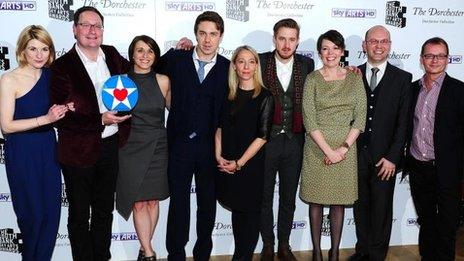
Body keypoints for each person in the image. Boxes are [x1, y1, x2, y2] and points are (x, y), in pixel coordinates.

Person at [50, 6, 130, 261]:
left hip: (109, 147)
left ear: (103, 31)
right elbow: (62, 118)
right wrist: (100, 119)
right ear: (74, 29)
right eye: (86, 25)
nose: (92, 31)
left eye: (97, 26)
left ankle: (102, 257)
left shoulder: (112, 55)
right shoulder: (62, 67)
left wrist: (177, 52)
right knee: (79, 215)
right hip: (77, 152)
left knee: (105, 211)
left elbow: (142, 67)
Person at [157, 11, 229, 261]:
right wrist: (176, 49)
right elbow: (146, 68)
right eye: (202, 33)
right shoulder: (177, 59)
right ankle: (175, 254)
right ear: (195, 34)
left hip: (211, 149)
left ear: (220, 36)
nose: (207, 40)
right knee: (178, 204)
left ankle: (202, 254)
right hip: (178, 146)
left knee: (207, 205)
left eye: (213, 34)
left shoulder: (228, 69)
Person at [0, 24, 71, 261]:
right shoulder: (9, 80)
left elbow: (63, 106)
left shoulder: (52, 77)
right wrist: (46, 118)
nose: (39, 55)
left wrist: (66, 109)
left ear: (50, 51)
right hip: (22, 151)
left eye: (44, 49)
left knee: (51, 216)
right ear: (23, 50)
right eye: (33, 49)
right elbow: (7, 126)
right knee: (32, 216)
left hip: (48, 149)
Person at [300, 30, 366, 261]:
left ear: (342, 51)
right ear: (320, 52)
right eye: (325, 48)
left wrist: (342, 149)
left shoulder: (355, 77)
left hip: (346, 147)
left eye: (335, 48)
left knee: (339, 202)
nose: (330, 53)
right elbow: (309, 118)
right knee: (316, 201)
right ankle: (317, 252)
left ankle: (335, 251)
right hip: (317, 148)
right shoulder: (312, 79)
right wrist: (329, 151)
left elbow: (360, 117)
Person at [350, 25, 412, 261]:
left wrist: (393, 157)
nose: (378, 45)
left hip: (385, 158)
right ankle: (362, 251)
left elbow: (403, 123)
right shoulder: (352, 74)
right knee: (360, 206)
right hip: (355, 155)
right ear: (364, 45)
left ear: (389, 45)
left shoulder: (403, 79)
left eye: (383, 41)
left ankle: (376, 255)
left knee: (382, 209)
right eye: (373, 41)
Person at [258, 18, 314, 261]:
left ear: (298, 41)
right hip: (265, 141)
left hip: (294, 140)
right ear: (274, 39)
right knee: (264, 196)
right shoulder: (259, 61)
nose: (287, 44)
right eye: (282, 38)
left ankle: (284, 244)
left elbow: (328, 78)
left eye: (292, 39)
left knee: (288, 197)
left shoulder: (307, 64)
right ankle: (267, 245)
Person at [405, 37, 464, 261]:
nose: (434, 60)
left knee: (448, 224)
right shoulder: (412, 90)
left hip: (448, 169)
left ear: (447, 59)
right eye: (429, 55)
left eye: (440, 56)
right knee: (426, 222)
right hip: (418, 166)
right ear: (422, 60)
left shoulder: (459, 91)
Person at [215, 45, 274, 261]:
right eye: (241, 61)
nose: (246, 66)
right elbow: (219, 129)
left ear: (257, 65)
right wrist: (218, 156)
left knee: (249, 216)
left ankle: (242, 257)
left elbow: (262, 136)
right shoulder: (227, 94)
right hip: (227, 164)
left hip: (250, 167)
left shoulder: (265, 97)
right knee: (238, 214)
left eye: (251, 61)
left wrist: (239, 163)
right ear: (234, 65)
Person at [115, 35, 170, 261]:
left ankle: (144, 246)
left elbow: (177, 111)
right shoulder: (120, 82)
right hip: (131, 147)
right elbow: (114, 117)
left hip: (158, 144)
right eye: (140, 50)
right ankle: (149, 253)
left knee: (153, 200)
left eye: (150, 51)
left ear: (155, 55)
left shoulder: (164, 80)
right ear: (132, 54)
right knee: (138, 203)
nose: (145, 56)